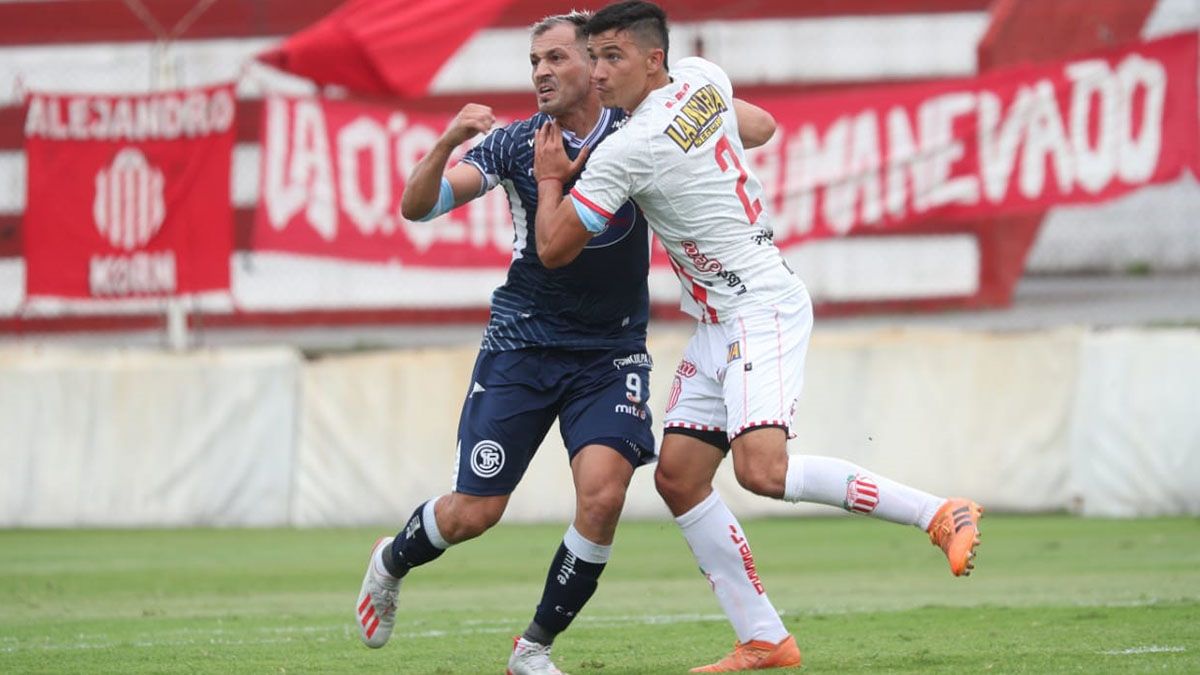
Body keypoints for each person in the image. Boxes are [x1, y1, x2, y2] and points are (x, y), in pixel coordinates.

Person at [532, 1, 984, 672]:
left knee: (762, 471)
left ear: (653, 60)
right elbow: (763, 125)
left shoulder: (629, 149)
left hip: (759, 307)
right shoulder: (701, 76)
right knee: (680, 478)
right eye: (593, 58)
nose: (597, 73)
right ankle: (764, 638)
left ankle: (939, 512)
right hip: (720, 317)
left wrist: (549, 179)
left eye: (612, 58)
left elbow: (552, 247)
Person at [354, 12, 778, 675]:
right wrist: (447, 142)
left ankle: (532, 649)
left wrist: (698, 106)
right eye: (534, 62)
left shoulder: (640, 126)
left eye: (556, 58)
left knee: (603, 498)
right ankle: (391, 560)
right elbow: (420, 206)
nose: (542, 72)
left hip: (610, 352)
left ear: (597, 63)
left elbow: (755, 126)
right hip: (523, 346)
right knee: (475, 513)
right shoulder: (516, 144)